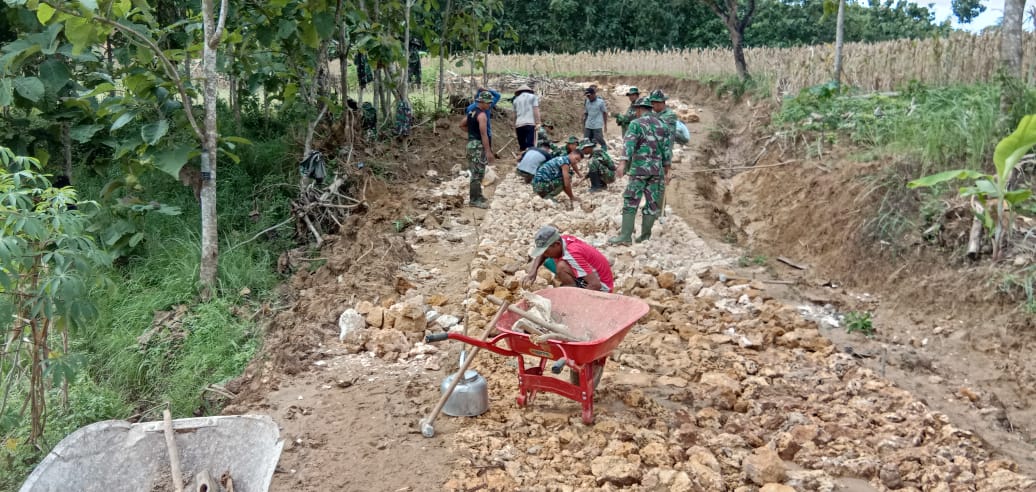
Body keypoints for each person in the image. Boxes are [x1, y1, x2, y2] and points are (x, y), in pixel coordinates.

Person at [609, 97, 672, 245]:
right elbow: (666, 151)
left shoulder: (636, 124)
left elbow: (629, 144)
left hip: (639, 170)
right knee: (652, 204)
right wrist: (668, 169)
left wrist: (622, 163)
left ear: (639, 109)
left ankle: (625, 237)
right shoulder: (663, 125)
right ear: (650, 108)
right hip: (656, 171)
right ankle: (644, 237)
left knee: (631, 201)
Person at [523, 225, 615, 293]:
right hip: (591, 278)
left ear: (557, 245)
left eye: (546, 251)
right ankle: (571, 287)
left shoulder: (572, 253)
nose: (545, 254)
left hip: (602, 288)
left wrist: (574, 301)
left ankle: (572, 289)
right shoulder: (562, 240)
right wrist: (533, 271)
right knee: (549, 262)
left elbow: (595, 285)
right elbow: (542, 254)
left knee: (561, 266)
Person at [459, 91, 496, 209]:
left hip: (471, 144)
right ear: (483, 102)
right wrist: (488, 151)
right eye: (489, 103)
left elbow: (462, 125)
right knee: (476, 174)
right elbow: (484, 134)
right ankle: (474, 200)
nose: (490, 105)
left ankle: (478, 195)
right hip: (478, 146)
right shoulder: (482, 115)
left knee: (479, 172)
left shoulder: (472, 111)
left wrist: (471, 134)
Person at [512, 85, 541, 152]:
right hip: (530, 124)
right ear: (529, 91)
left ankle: (521, 160)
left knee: (522, 146)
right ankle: (529, 159)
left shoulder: (515, 100)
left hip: (519, 125)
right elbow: (535, 110)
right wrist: (538, 122)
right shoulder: (533, 97)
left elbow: (514, 115)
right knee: (530, 145)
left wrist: (514, 127)